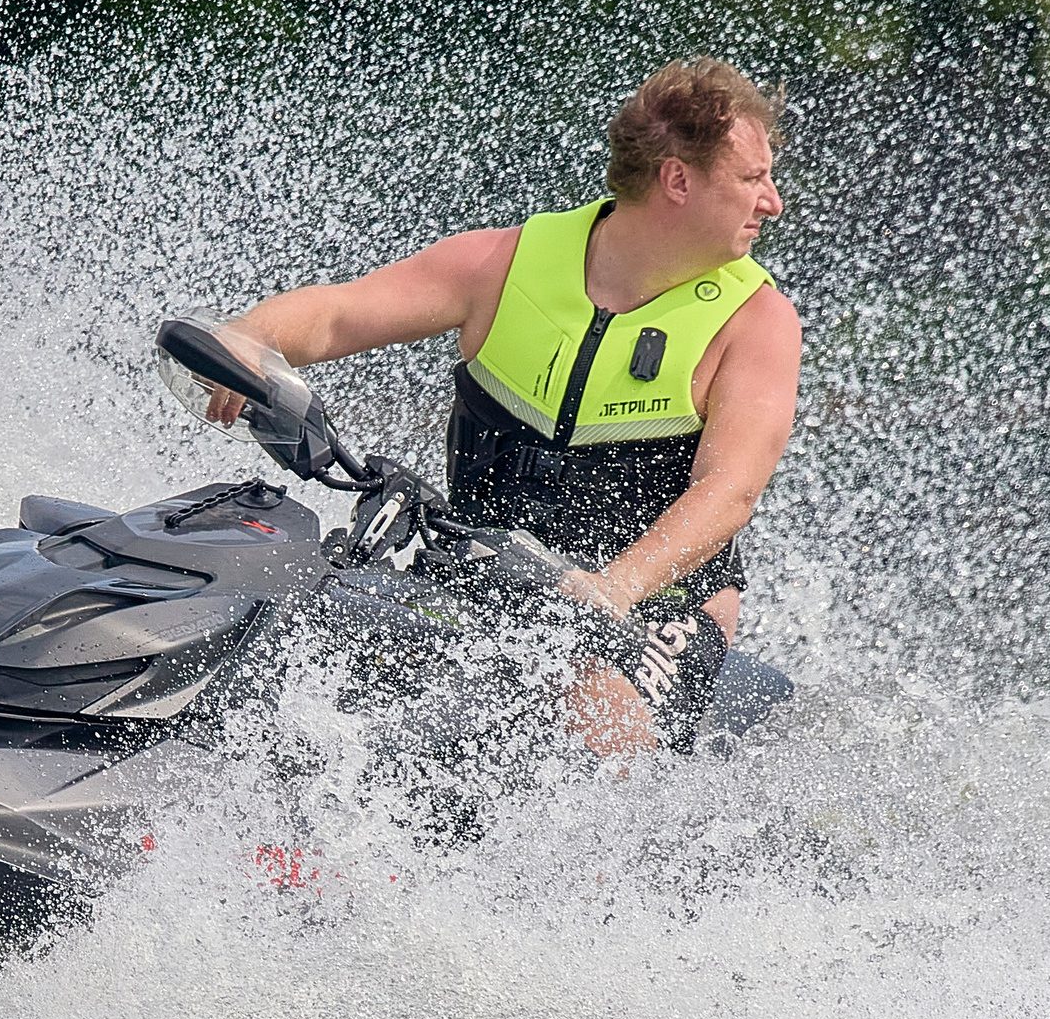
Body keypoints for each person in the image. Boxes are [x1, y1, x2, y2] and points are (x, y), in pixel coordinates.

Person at [222, 56, 802, 755]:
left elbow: (729, 490)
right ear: (679, 180)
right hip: (481, 573)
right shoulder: (505, 264)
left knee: (586, 702)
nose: (772, 201)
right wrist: (249, 339)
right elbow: (338, 315)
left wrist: (617, 585)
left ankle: (613, 858)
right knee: (300, 637)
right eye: (751, 179)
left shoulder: (756, 322)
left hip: (652, 605)